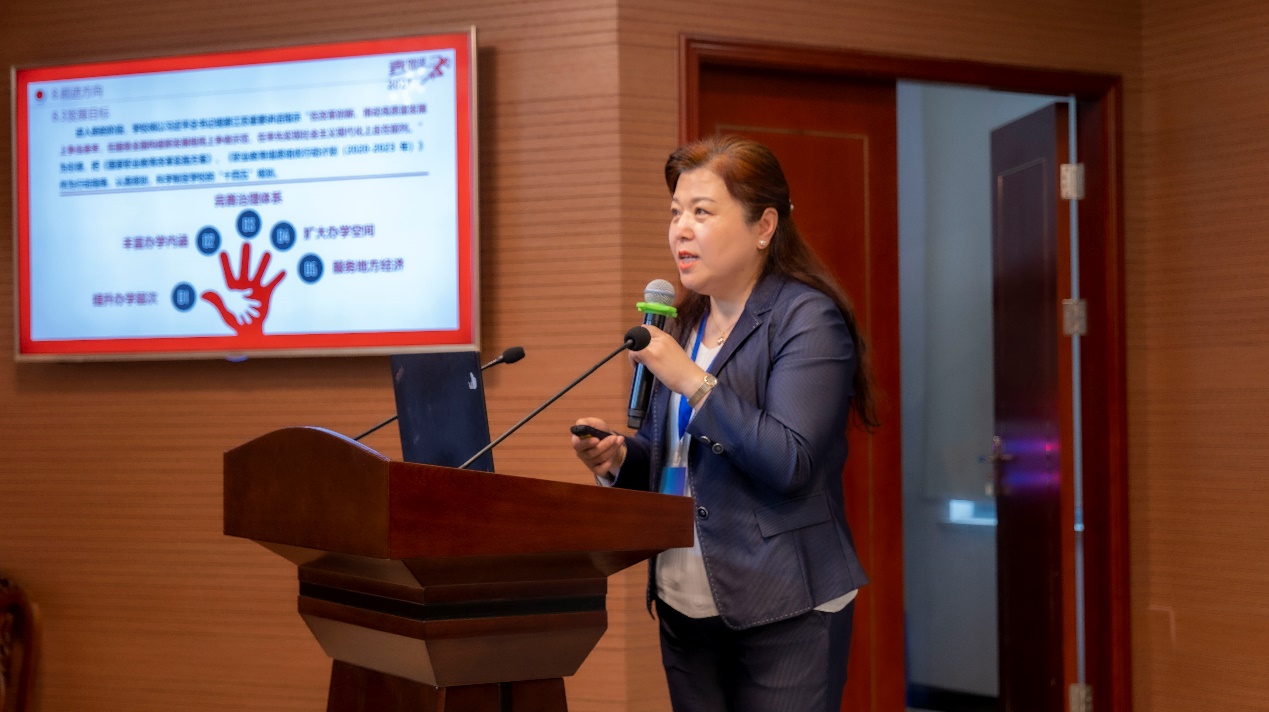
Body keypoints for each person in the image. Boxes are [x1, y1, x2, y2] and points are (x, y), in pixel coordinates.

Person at [570, 134, 878, 712]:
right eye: (675, 213)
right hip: (685, 603)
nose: (680, 230)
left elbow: (789, 461)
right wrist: (620, 460)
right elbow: (677, 460)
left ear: (765, 227)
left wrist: (690, 378)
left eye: (701, 212)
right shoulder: (684, 324)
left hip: (787, 606)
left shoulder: (807, 319)